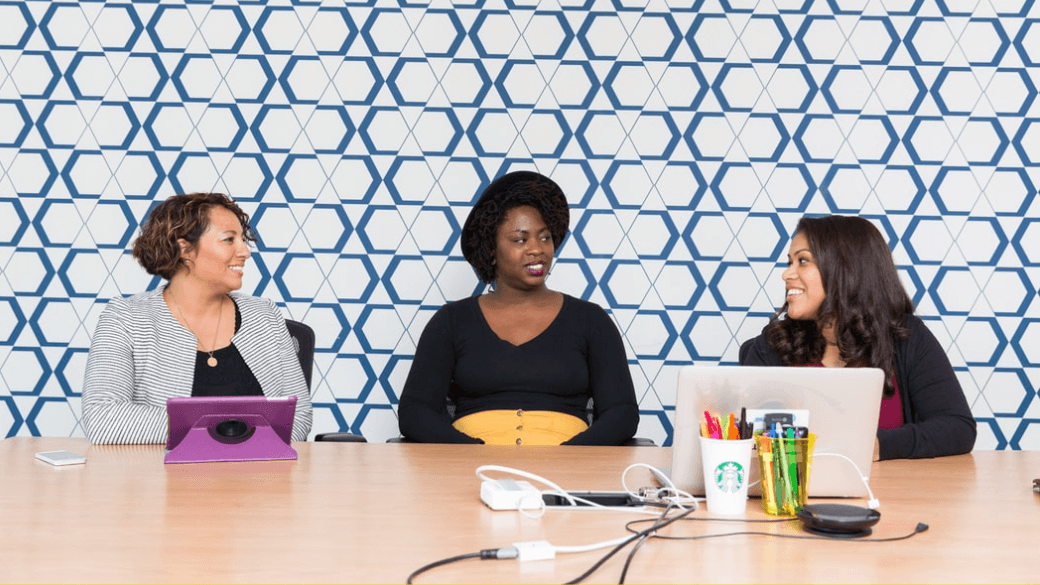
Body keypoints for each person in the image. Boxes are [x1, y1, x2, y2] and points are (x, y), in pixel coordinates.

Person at [397, 170, 639, 445]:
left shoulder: (591, 320)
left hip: (566, 471)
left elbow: (622, 412)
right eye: (520, 240)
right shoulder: (451, 321)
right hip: (471, 468)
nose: (537, 249)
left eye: (545, 237)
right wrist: (472, 453)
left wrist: (569, 455)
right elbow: (415, 411)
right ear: (491, 250)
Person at [739, 215, 976, 460]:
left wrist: (877, 446)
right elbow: (750, 443)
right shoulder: (772, 345)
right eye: (790, 262)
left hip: (891, 494)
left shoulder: (905, 337)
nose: (787, 274)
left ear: (845, 269)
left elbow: (957, 428)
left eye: (803, 261)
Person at [82, 192, 312, 444]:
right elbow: (101, 419)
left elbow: (298, 417)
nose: (245, 252)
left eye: (242, 240)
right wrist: (227, 429)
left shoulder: (265, 316)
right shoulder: (126, 319)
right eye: (228, 240)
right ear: (185, 250)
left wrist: (202, 428)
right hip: (162, 481)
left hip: (258, 479)